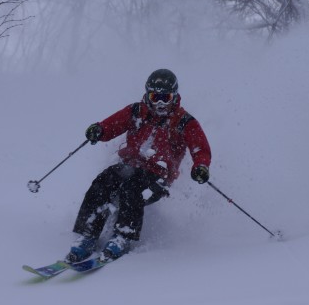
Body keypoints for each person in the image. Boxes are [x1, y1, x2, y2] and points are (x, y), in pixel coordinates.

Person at [66, 69, 212, 263]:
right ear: (147, 95)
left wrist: (200, 167)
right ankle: (88, 234)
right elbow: (112, 125)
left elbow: (200, 148)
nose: (160, 103)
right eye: (155, 97)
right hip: (129, 165)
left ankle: (123, 236)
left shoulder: (184, 122)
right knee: (102, 182)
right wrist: (99, 130)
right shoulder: (136, 111)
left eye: (165, 98)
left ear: (174, 97)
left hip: (159, 176)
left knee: (131, 188)